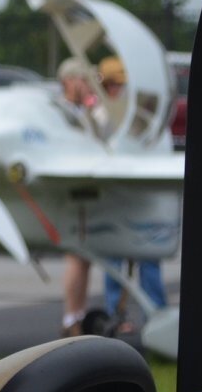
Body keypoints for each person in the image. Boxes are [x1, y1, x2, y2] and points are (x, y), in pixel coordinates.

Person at [96, 55, 167, 328]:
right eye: (113, 85)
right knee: (114, 258)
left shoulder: (141, 116)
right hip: (115, 196)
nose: (118, 91)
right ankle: (117, 314)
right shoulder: (101, 115)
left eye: (121, 85)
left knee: (149, 258)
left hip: (141, 197)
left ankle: (156, 314)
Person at [57, 57, 98, 335]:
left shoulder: (83, 112)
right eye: (82, 79)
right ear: (69, 81)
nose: (86, 85)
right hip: (68, 193)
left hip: (83, 191)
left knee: (84, 257)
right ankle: (71, 318)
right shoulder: (62, 113)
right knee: (75, 255)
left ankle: (78, 314)